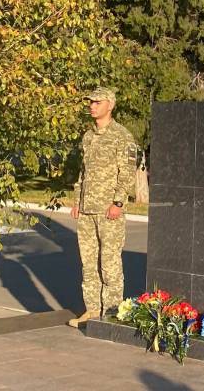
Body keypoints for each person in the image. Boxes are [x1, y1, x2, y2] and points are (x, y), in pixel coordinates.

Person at [67, 87, 137, 328]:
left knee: (109, 264)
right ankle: (92, 310)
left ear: (110, 105)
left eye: (97, 102)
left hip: (109, 210)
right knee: (89, 263)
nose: (92, 105)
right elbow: (83, 173)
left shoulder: (122, 136)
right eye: (91, 102)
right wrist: (77, 200)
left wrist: (118, 202)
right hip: (88, 209)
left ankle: (111, 313)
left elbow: (127, 174)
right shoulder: (88, 137)